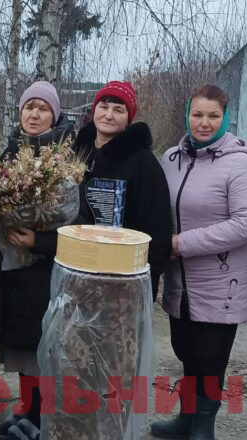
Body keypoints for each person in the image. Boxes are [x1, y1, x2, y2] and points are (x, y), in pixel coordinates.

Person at [153, 84, 247, 440]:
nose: (203, 123)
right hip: (179, 281)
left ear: (225, 118)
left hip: (221, 282)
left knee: (209, 361)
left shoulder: (240, 164)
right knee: (184, 352)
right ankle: (186, 421)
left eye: (213, 116)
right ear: (188, 115)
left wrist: (179, 244)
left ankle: (203, 428)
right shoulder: (171, 159)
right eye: (197, 114)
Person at [0, 80, 74, 440]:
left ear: (53, 115)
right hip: (11, 265)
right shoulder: (7, 154)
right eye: (29, 107)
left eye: (43, 108)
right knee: (22, 345)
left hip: (45, 267)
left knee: (45, 346)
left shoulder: (64, 160)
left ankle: (42, 418)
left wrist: (38, 240)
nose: (34, 114)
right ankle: (27, 410)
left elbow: (77, 218)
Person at [72, 80, 172, 298]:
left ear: (129, 118)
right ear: (94, 109)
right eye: (104, 107)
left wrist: (146, 279)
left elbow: (158, 226)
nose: (109, 115)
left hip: (122, 280)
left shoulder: (142, 162)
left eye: (118, 110)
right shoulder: (77, 153)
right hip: (77, 267)